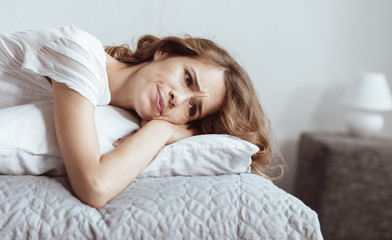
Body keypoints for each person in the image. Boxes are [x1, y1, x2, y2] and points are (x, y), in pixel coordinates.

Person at [0, 25, 287, 208]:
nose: (179, 99)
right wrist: (161, 131)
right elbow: (94, 187)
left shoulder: (116, 112)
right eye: (188, 79)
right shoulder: (80, 53)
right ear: (164, 53)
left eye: (192, 109)